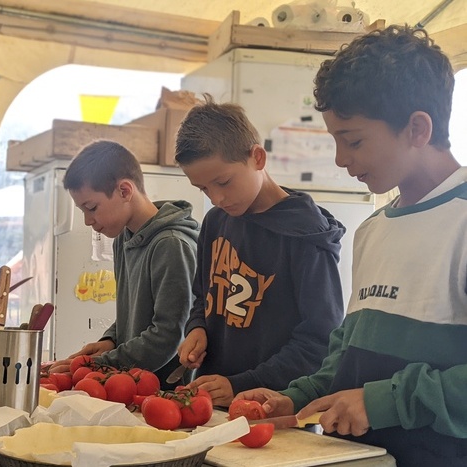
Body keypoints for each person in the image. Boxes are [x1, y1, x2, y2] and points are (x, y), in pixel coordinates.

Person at [235, 25, 467, 466]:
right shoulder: (373, 229)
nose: (341, 159)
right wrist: (298, 396)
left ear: (418, 128)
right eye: (335, 140)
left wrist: (383, 402)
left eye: (353, 140)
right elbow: (347, 350)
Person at [173, 95, 346, 408]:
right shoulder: (215, 221)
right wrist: (196, 328)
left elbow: (320, 341)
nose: (216, 198)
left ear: (258, 158)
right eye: (203, 189)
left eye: (223, 181)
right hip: (212, 402)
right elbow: (203, 296)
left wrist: (243, 384)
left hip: (273, 408)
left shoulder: (306, 235)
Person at [49, 140, 199, 388]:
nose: (88, 221)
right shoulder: (124, 239)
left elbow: (168, 336)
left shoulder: (171, 245)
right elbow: (134, 313)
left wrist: (100, 365)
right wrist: (111, 340)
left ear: (125, 191)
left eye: (91, 208)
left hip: (167, 392)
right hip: (131, 384)